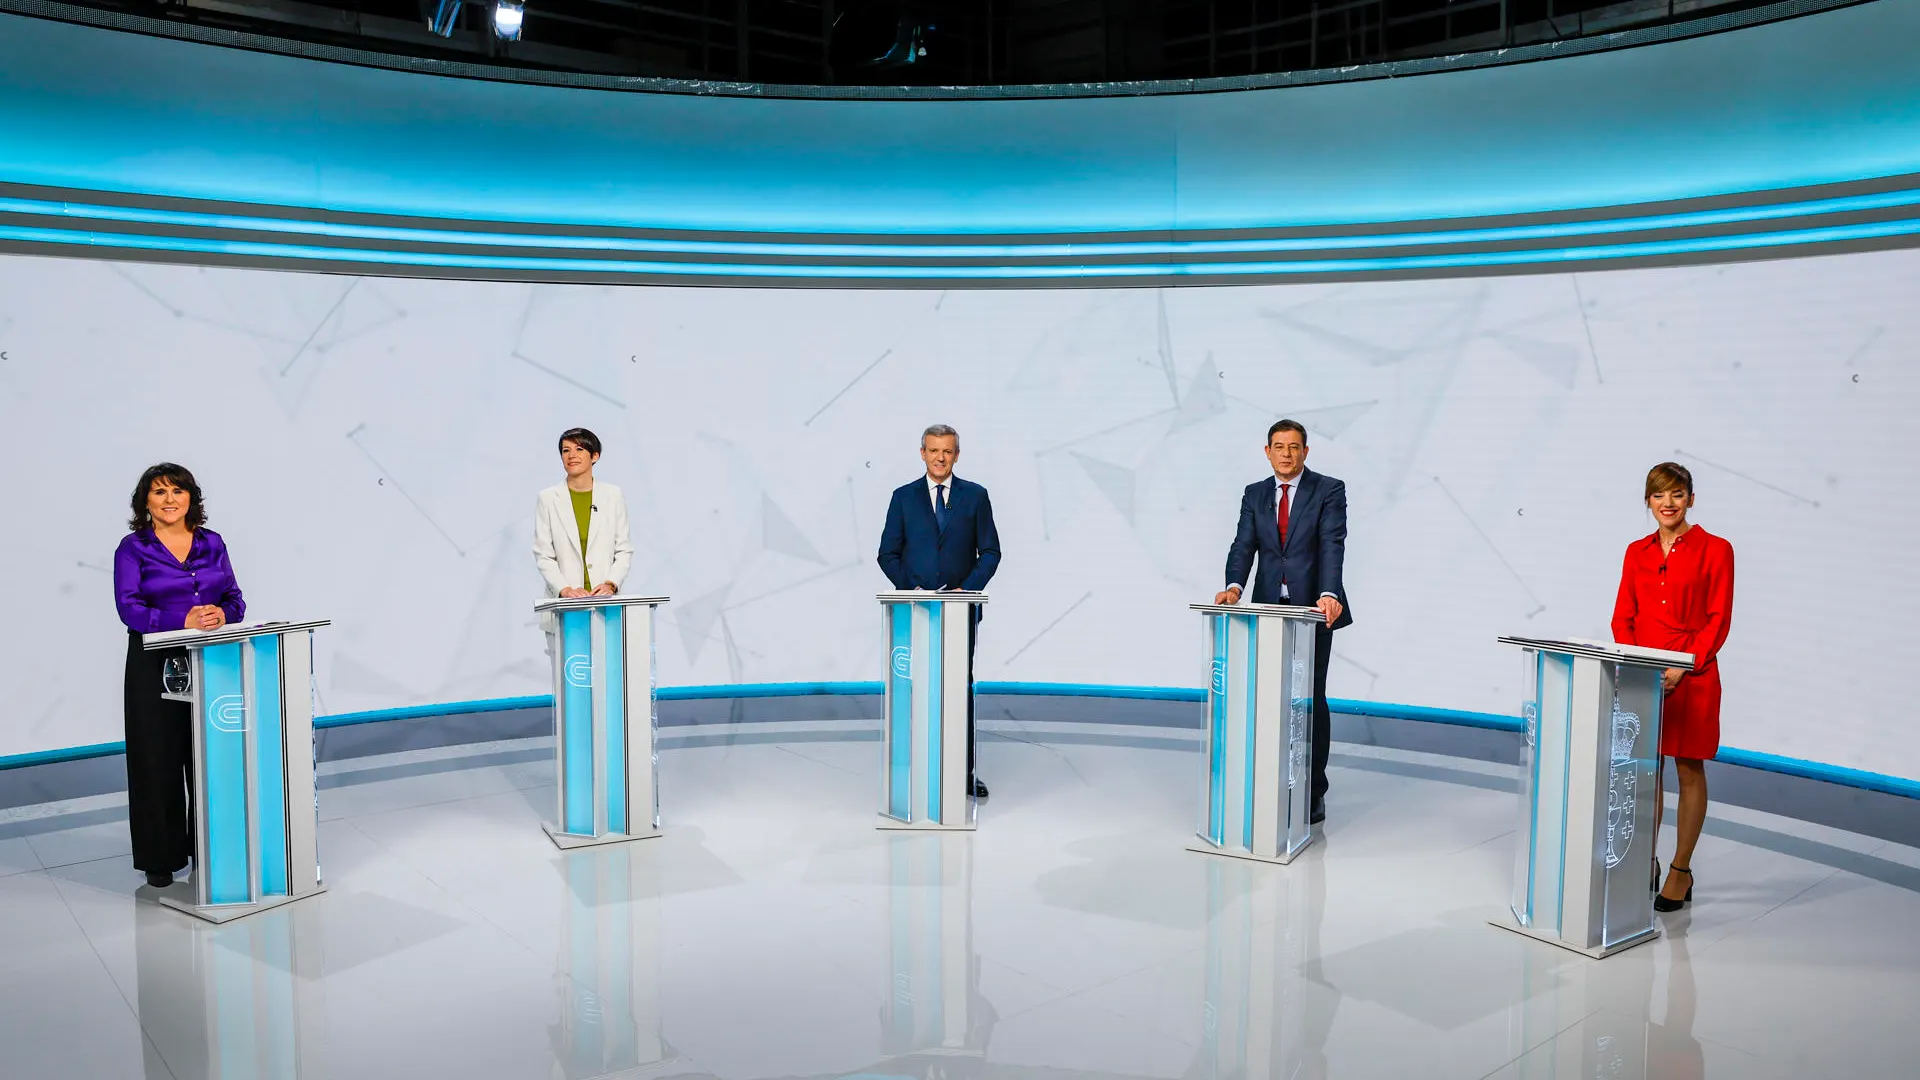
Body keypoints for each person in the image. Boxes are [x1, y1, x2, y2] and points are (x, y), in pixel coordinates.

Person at [112, 463, 245, 890]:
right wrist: (181, 618)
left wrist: (222, 613)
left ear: (191, 498)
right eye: (159, 492)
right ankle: (161, 857)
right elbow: (129, 608)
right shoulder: (133, 549)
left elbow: (235, 599)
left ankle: (210, 849)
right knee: (158, 760)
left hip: (212, 661)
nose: (170, 499)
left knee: (209, 759)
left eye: (178, 491)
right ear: (144, 502)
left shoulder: (213, 543)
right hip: (154, 664)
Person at [1611, 461, 1733, 912]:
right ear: (1648, 501)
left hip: (1694, 676)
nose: (1668, 503)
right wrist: (1637, 663)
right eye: (1659, 495)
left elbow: (1719, 618)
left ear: (1691, 500)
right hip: (1645, 676)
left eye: (1677, 494)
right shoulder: (1635, 552)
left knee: (1688, 769)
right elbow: (1622, 616)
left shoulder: (1716, 549)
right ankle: (1645, 858)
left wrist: (1686, 665)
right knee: (1647, 772)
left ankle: (1681, 869)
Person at [1216, 420, 1351, 825]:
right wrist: (1234, 586)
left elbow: (1332, 543)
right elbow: (1243, 544)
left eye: (1294, 447)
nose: (1287, 454)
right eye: (1279, 446)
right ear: (1267, 451)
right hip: (1269, 610)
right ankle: (1274, 780)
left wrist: (1329, 593)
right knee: (1270, 698)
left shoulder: (1328, 490)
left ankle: (1313, 791)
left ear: (1306, 452)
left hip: (1314, 612)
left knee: (1311, 698)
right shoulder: (1255, 494)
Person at [877, 424, 1002, 798]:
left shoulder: (976, 497)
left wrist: (969, 589)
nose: (940, 457)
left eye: (947, 451)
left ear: (956, 455)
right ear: (922, 453)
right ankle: (916, 768)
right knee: (916, 687)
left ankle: (963, 772)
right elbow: (887, 553)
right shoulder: (903, 498)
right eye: (933, 450)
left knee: (958, 689)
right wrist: (910, 589)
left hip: (959, 612)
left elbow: (991, 552)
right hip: (913, 611)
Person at [533, 428, 634, 633]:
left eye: (579, 449)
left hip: (607, 605)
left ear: (594, 456)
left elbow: (623, 549)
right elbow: (543, 555)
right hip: (564, 608)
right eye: (565, 450)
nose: (571, 455)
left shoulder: (613, 496)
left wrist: (610, 584)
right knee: (570, 664)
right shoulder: (548, 498)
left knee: (608, 663)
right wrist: (565, 589)